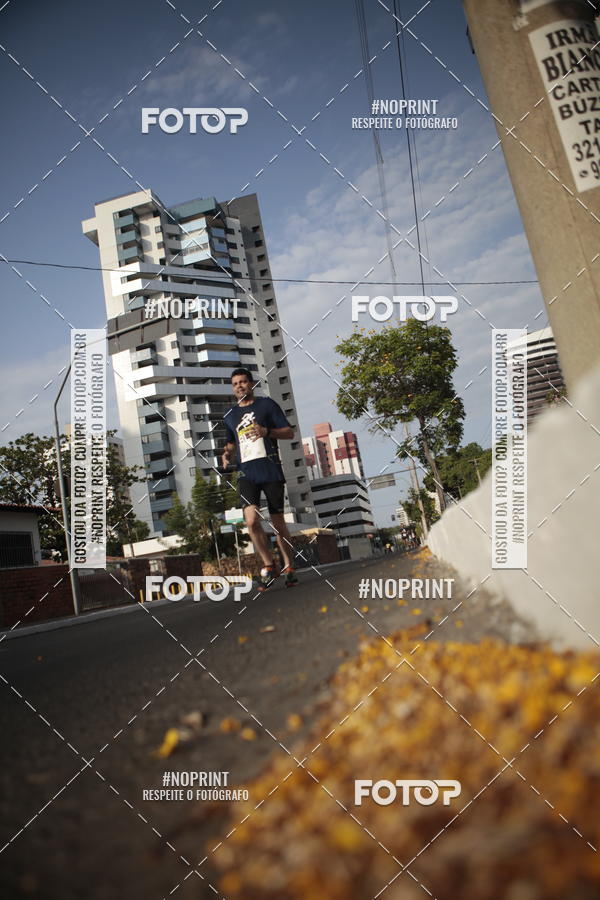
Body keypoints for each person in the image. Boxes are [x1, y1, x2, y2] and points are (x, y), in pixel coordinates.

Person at [221, 367, 299, 591]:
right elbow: (231, 443)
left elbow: (289, 432)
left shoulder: (267, 405)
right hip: (246, 473)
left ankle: (289, 567)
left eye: (243, 382)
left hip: (270, 470)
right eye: (235, 384)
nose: (240, 386)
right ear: (233, 388)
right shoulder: (230, 415)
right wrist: (226, 454)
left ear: (251, 384)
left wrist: (267, 432)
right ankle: (269, 565)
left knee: (278, 524)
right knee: (251, 521)